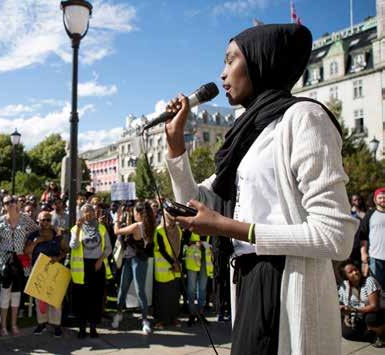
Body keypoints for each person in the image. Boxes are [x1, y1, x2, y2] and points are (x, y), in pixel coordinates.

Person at [164, 24, 357, 354]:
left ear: (259, 61)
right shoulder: (250, 132)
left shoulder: (304, 117)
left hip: (284, 280)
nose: (222, 74)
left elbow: (336, 236)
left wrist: (231, 228)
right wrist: (176, 147)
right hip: (249, 280)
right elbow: (194, 202)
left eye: (230, 60)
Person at [0, 195, 38, 336]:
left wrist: (30, 246)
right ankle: (3, 326)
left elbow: (36, 231)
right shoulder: (0, 221)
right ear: (3, 206)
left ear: (17, 203)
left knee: (17, 292)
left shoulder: (25, 219)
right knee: (5, 292)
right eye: (7, 202)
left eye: (13, 201)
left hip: (21, 259)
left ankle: (14, 324)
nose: (10, 204)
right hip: (4, 260)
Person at [70, 204, 112, 339]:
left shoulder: (101, 228)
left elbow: (108, 248)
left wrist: (100, 260)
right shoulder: (75, 228)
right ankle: (82, 328)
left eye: (91, 211)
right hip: (82, 268)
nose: (89, 213)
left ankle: (93, 328)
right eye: (86, 212)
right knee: (82, 299)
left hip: (97, 266)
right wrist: (77, 229)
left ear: (95, 213)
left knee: (96, 298)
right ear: (82, 214)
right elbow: (73, 245)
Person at [112, 201, 154, 335]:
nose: (134, 214)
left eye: (136, 212)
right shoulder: (149, 225)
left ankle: (122, 315)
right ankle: (144, 320)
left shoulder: (137, 225)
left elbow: (117, 231)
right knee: (137, 290)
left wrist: (117, 219)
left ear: (140, 214)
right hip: (137, 260)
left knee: (128, 289)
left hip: (135, 260)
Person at [24, 211, 68, 337]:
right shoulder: (33, 235)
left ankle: (56, 325)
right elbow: (26, 251)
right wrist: (36, 242)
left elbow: (66, 250)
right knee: (40, 299)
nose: (46, 222)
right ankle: (41, 323)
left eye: (48, 220)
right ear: (38, 220)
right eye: (43, 220)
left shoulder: (57, 235)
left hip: (54, 270)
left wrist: (58, 258)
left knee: (55, 298)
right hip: (39, 270)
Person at [338, 260, 385, 347]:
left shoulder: (369, 280)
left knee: (371, 318)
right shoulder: (344, 286)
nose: (355, 272)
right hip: (359, 314)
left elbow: (374, 306)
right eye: (350, 272)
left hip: (378, 312)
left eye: (356, 269)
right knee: (346, 333)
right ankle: (372, 337)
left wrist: (353, 310)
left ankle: (381, 333)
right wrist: (346, 315)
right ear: (345, 276)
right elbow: (345, 303)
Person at [152, 216, 183, 328]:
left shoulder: (178, 230)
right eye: (169, 218)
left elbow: (180, 246)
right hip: (163, 268)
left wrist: (178, 262)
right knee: (162, 296)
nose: (172, 220)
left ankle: (173, 318)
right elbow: (161, 249)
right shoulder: (159, 230)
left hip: (175, 268)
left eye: (173, 218)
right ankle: (161, 320)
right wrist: (173, 262)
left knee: (174, 295)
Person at [183, 232, 213, 326]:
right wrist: (195, 242)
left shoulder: (209, 227)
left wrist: (208, 246)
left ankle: (200, 313)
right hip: (193, 260)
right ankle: (192, 314)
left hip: (205, 260)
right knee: (191, 289)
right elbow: (184, 241)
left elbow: (214, 243)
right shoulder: (191, 224)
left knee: (202, 288)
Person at [360, 188, 385, 289]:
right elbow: (363, 236)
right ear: (375, 200)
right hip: (375, 257)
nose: (383, 199)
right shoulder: (370, 214)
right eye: (380, 197)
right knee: (376, 287)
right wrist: (363, 253)